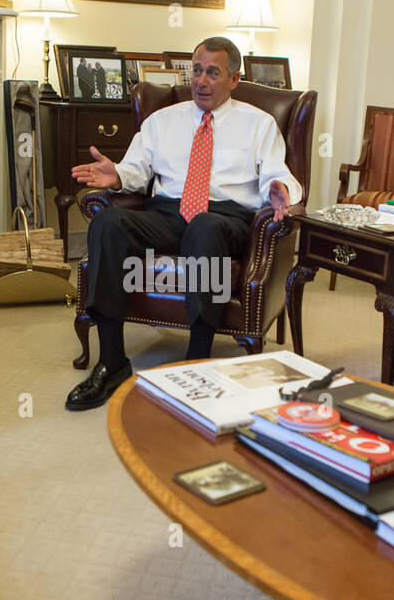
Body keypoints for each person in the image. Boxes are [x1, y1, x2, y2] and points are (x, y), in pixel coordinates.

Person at [65, 36, 302, 411]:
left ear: (234, 79)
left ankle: (197, 361)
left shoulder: (259, 124)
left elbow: (278, 174)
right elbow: (136, 169)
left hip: (226, 219)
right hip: (168, 214)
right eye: (196, 70)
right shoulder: (161, 122)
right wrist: (118, 175)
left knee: (205, 226)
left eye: (213, 72)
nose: (201, 81)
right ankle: (112, 361)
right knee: (108, 223)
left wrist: (278, 189)